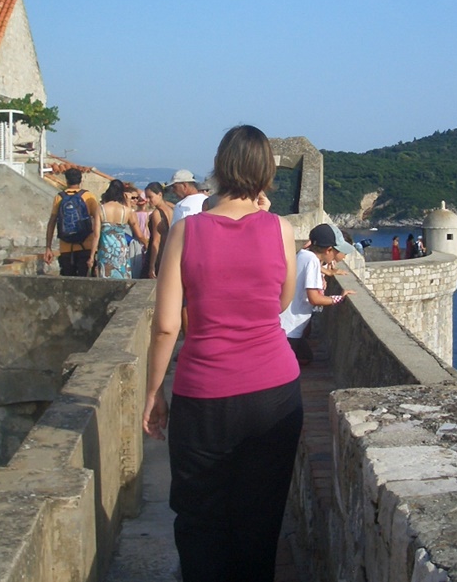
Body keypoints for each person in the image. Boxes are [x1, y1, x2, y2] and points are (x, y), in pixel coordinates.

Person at [142, 125, 300, 582]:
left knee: (200, 519)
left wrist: (155, 393)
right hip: (275, 391)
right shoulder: (281, 230)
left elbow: (167, 324)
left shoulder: (186, 232)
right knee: (261, 518)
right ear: (267, 174)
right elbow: (279, 303)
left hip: (204, 394)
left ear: (219, 168)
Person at [280, 223, 355, 365]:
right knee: (290, 366)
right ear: (328, 250)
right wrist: (338, 298)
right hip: (289, 327)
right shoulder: (312, 261)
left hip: (285, 323)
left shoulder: (303, 254)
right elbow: (314, 298)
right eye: (336, 251)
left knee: (304, 358)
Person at [44, 168, 100, 276]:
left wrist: (48, 247)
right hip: (86, 245)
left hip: (66, 247)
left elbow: (52, 222)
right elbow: (98, 220)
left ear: (66, 181)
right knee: (87, 282)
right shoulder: (88, 196)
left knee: (68, 283)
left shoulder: (59, 197)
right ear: (81, 180)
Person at [97, 179, 148, 278]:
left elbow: (96, 234)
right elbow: (137, 230)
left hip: (105, 248)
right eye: (133, 198)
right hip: (123, 248)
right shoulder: (127, 211)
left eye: (137, 198)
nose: (136, 200)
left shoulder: (103, 208)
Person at [143, 182, 175, 279]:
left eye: (150, 197)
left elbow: (156, 241)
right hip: (169, 252)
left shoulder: (157, 213)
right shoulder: (171, 210)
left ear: (160, 195)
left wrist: (151, 266)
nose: (148, 200)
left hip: (159, 253)